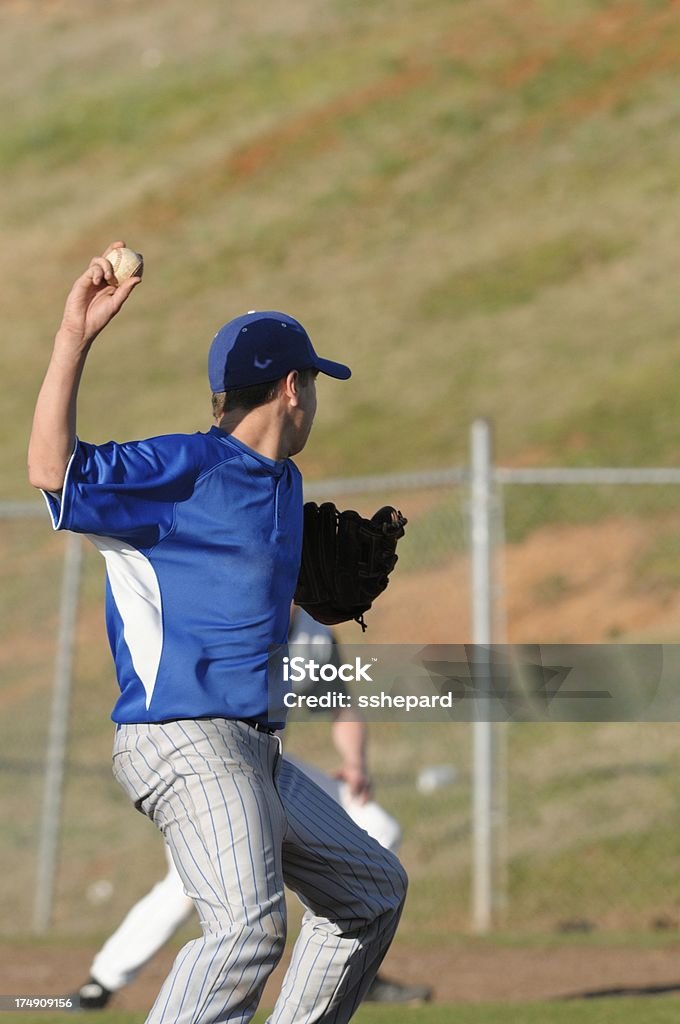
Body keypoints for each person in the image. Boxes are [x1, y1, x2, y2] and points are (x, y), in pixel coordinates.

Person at [28, 243, 407, 1024]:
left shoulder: (286, 484)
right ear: (293, 388)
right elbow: (51, 470)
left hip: (256, 748)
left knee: (371, 892)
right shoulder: (184, 468)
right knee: (246, 931)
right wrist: (74, 338)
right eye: (316, 387)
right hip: (182, 737)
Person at [69, 608, 432, 1010]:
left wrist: (355, 764)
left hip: (273, 764)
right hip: (209, 764)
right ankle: (102, 981)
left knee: (377, 827)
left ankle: (351, 958)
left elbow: (341, 706)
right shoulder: (235, 610)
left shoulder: (316, 635)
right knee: (187, 888)